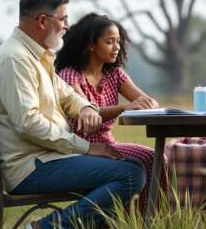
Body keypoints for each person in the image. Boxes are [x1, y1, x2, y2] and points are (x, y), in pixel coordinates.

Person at [0, 0, 146, 229]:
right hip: (32, 167)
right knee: (131, 174)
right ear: (43, 21)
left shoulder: (36, 55)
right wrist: (87, 147)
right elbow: (29, 123)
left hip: (46, 158)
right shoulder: (15, 60)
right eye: (63, 19)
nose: (67, 26)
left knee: (123, 164)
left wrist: (86, 107)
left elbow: (65, 93)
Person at [54, 12, 162, 214]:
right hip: (83, 148)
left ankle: (147, 221)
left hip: (108, 144)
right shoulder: (70, 74)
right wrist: (124, 108)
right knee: (143, 162)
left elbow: (145, 100)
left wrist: (149, 103)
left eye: (118, 41)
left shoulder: (114, 73)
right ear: (91, 45)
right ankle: (127, 222)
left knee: (155, 159)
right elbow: (85, 111)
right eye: (109, 41)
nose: (117, 47)